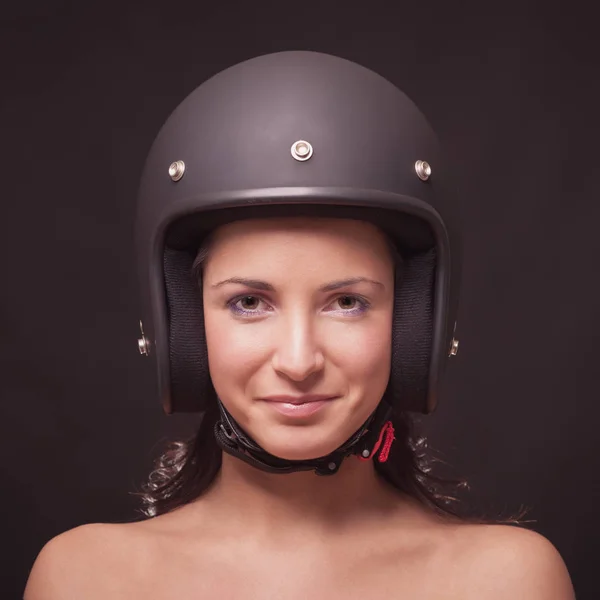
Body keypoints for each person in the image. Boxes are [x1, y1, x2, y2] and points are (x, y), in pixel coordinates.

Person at [24, 51, 575, 599]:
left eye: (346, 302)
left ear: (413, 325)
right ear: (185, 326)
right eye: (248, 303)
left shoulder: (508, 581)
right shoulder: (85, 578)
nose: (297, 361)